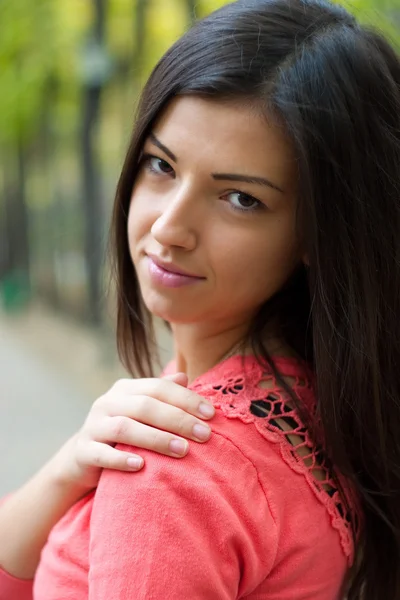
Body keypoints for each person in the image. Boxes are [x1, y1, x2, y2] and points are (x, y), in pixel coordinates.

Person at [1, 0, 400, 597]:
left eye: (240, 199)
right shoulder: (323, 406)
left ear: (320, 232)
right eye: (160, 165)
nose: (168, 227)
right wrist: (68, 469)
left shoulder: (172, 466)